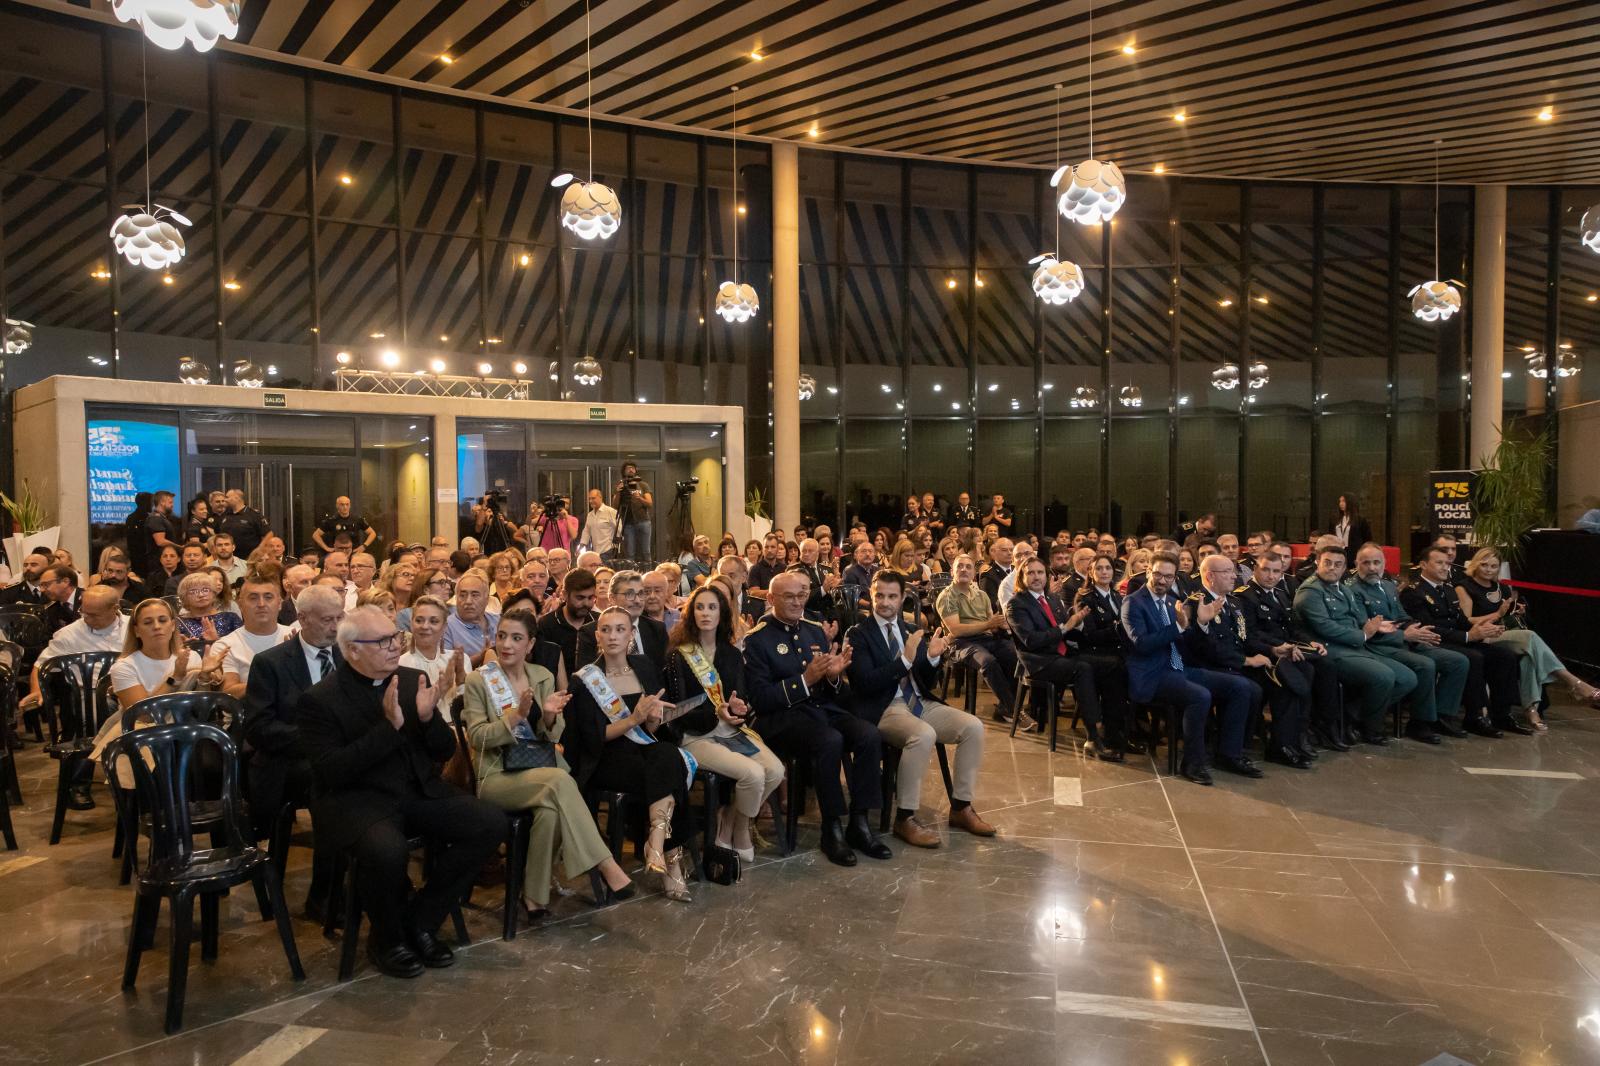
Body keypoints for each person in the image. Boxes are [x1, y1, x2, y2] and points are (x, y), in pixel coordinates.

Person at [296, 606, 504, 978]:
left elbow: (441, 752)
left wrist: (427, 720)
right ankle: (386, 938)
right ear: (352, 650)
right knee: (387, 851)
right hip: (356, 799)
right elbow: (332, 771)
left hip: (414, 791)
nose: (395, 646)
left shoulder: (411, 680)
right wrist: (388, 729)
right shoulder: (320, 699)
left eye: (395, 637)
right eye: (383, 641)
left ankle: (421, 920)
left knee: (488, 822)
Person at [460, 608, 634, 919]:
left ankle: (534, 897)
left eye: (516, 638)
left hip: (537, 769)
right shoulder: (479, 680)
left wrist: (550, 715)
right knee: (559, 781)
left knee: (551, 809)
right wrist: (514, 717)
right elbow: (477, 738)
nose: (507, 645)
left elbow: (551, 734)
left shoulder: (542, 675)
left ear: (530, 644)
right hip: (497, 776)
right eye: (502, 636)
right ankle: (605, 864)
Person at [744, 571, 889, 866]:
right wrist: (805, 680)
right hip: (781, 719)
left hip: (820, 710)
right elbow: (760, 700)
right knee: (830, 741)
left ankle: (859, 822)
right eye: (789, 596)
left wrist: (833, 678)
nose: (797, 602)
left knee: (869, 735)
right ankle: (831, 827)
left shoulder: (812, 629)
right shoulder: (757, 640)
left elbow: (829, 689)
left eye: (802, 595)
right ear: (770, 599)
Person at [847, 570, 994, 847]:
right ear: (871, 595)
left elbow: (924, 679)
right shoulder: (858, 634)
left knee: (973, 726)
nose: (885, 602)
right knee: (923, 734)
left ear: (902, 598)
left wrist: (931, 658)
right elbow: (864, 683)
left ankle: (961, 807)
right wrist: (903, 662)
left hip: (918, 701)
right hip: (884, 707)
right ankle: (905, 817)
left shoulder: (908, 630)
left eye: (892, 596)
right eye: (880, 595)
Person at [564, 606, 695, 901]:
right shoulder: (585, 679)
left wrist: (652, 718)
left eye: (620, 629)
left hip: (643, 748)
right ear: (597, 636)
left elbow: (652, 724)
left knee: (667, 756)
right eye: (606, 629)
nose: (613, 636)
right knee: (668, 769)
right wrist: (634, 720)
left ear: (631, 634)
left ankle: (657, 843)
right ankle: (669, 861)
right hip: (606, 758)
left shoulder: (644, 666)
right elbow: (593, 738)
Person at [662, 585, 784, 862]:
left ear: (722, 614)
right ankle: (740, 829)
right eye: (700, 607)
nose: (705, 613)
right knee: (753, 774)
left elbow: (739, 697)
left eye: (712, 607)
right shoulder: (678, 656)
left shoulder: (730, 654)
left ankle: (731, 820)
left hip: (729, 730)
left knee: (775, 770)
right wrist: (718, 713)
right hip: (695, 735)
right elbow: (678, 710)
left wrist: (739, 707)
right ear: (690, 614)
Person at [242, 584, 344, 915]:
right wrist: (318, 739)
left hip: (337, 758)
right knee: (331, 786)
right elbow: (259, 729)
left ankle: (381, 881)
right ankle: (323, 896)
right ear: (302, 618)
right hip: (285, 764)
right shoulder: (270, 663)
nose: (335, 627)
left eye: (339, 618)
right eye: (327, 620)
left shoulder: (348, 655)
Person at [1120, 552, 1257, 786]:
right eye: (1158, 575)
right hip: (1153, 674)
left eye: (1168, 576)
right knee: (1200, 696)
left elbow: (1186, 639)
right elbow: (1142, 644)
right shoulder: (1133, 602)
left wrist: (1201, 623)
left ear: (1175, 578)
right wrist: (1178, 627)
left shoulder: (1174, 599)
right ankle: (1193, 763)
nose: (1162, 581)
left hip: (1179, 668)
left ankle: (1229, 754)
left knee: (1241, 686)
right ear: (1148, 573)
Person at [1455, 547, 1600, 726]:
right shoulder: (1464, 587)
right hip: (1481, 636)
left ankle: (1532, 710)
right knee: (1531, 637)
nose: (1489, 570)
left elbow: (1507, 617)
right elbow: (1466, 620)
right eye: (1484, 565)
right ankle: (1574, 682)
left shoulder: (1502, 588)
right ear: (1476, 564)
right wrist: (1497, 614)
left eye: (1493, 566)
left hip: (1505, 633)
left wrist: (1516, 612)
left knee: (1529, 656)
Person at [1292, 545, 1420, 745]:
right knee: (1383, 676)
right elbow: (1326, 627)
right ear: (1318, 562)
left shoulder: (1342, 588)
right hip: (1331, 650)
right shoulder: (1310, 591)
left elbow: (1358, 618)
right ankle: (1371, 729)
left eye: (1338, 564)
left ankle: (1351, 716)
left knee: (1407, 678)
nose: (1332, 568)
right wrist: (1363, 634)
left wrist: (1377, 626)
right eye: (1327, 563)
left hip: (1356, 647)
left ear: (1345, 568)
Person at [1006, 557, 1130, 760]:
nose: (1036, 577)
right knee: (1082, 668)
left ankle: (1113, 730)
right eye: (1031, 573)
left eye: (1040, 572)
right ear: (1022, 576)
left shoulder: (1053, 599)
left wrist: (1080, 626)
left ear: (1046, 576)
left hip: (1062, 654)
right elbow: (1032, 641)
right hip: (1038, 661)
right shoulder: (1016, 604)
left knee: (1113, 664)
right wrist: (1066, 627)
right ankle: (1092, 737)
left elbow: (1069, 630)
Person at [1345, 543, 1471, 741]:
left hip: (1403, 639)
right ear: (1356, 564)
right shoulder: (1352, 590)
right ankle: (1420, 723)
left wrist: (1415, 629)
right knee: (1425, 665)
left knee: (1458, 661)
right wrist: (1404, 636)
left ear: (1384, 563)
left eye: (1377, 562)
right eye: (1366, 563)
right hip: (1378, 645)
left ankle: (1443, 717)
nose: (1372, 568)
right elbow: (1365, 627)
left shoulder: (1387, 585)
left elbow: (1401, 614)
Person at [1400, 546, 1527, 737]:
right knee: (1473, 657)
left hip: (1456, 639)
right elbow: (1428, 627)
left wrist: (1483, 629)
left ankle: (1502, 714)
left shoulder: (1448, 590)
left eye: (1448, 563)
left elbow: (1461, 621)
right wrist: (1468, 636)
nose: (1445, 567)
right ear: (1423, 565)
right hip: (1432, 642)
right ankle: (1474, 716)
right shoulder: (1414, 592)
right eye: (1439, 563)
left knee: (1504, 656)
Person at [1234, 551, 1347, 754]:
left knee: (1327, 665)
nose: (1271, 576)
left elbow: (1293, 628)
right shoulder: (1245, 596)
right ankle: (1295, 735)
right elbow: (1250, 636)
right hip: (1267, 653)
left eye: (1276, 571)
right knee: (1305, 670)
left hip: (1288, 648)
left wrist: (1310, 642)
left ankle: (1325, 725)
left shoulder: (1280, 593)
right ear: (1255, 570)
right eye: (1266, 570)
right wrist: (1278, 648)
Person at [1179, 556, 1277, 766]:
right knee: (1247, 689)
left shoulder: (1233, 601)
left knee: (1272, 682)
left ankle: (1247, 743)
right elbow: (1203, 649)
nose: (1234, 576)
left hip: (1232, 663)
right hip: (1206, 666)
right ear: (1209, 576)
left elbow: (1242, 638)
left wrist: (1270, 651)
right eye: (1227, 572)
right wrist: (1247, 661)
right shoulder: (1196, 603)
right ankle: (1229, 753)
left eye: (1233, 571)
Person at [214, 570, 291, 699]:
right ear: (240, 604)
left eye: (268, 597)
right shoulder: (225, 646)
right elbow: (229, 693)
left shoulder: (297, 637)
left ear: (280, 603)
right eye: (253, 598)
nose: (261, 604)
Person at [576, 570, 668, 669]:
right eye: (629, 594)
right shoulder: (589, 633)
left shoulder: (657, 629)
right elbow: (587, 678)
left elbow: (664, 674)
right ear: (612, 598)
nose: (637, 600)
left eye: (641, 593)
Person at [536, 568, 598, 681]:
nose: (586, 603)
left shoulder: (599, 622)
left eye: (591, 598)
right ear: (564, 594)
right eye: (580, 598)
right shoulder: (546, 625)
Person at [442, 571, 499, 666]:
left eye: (475, 595)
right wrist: (481, 656)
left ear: (487, 600)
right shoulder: (446, 627)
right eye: (462, 595)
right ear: (456, 598)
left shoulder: (498, 621)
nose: (468, 601)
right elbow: (446, 667)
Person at [174, 570, 242, 648]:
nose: (201, 595)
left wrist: (216, 641)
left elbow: (242, 650)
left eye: (205, 590)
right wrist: (182, 646)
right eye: (193, 591)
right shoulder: (177, 623)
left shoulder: (231, 618)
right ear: (184, 597)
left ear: (214, 593)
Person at [613, 461, 654, 561]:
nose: (631, 470)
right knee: (630, 553)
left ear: (636, 470)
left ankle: (648, 573)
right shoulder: (621, 485)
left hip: (643, 521)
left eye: (633, 468)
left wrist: (639, 498)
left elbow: (649, 503)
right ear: (624, 471)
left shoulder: (643, 485)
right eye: (628, 468)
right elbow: (615, 505)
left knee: (646, 551)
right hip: (628, 523)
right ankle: (631, 574)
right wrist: (618, 492)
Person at [217, 488, 271, 560]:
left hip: (249, 558)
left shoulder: (253, 515)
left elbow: (269, 534)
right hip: (228, 558)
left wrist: (260, 549)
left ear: (236, 498)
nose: (225, 500)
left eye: (227, 497)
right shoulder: (225, 515)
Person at [575, 488, 620, 561]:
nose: (591, 501)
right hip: (596, 552)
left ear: (600, 497)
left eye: (593, 498)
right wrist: (581, 545)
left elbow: (619, 530)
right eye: (589, 499)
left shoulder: (610, 512)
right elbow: (586, 531)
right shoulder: (590, 515)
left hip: (609, 551)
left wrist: (617, 547)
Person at [38, 565, 82, 634]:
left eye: (46, 584)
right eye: (41, 585)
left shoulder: (90, 601)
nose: (41, 590)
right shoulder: (51, 610)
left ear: (65, 582)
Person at [142, 491, 181, 567]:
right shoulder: (155, 518)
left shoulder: (162, 518)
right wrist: (180, 548)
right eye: (170, 502)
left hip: (164, 560)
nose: (172, 505)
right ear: (162, 502)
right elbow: (160, 541)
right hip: (158, 563)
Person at [978, 538, 1013, 609]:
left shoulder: (1018, 570)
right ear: (994, 552)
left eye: (1011, 550)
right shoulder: (988, 575)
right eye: (1004, 550)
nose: (1009, 553)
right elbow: (992, 605)